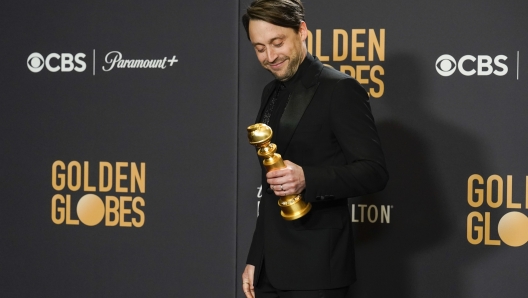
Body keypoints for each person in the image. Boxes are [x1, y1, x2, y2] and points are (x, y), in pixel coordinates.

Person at [241, 1, 389, 297]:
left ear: (302, 31)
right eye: (259, 48)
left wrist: (308, 178)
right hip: (270, 271)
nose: (270, 57)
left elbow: (374, 172)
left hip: (317, 270)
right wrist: (256, 258)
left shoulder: (340, 89)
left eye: (277, 42)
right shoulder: (270, 91)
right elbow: (271, 186)